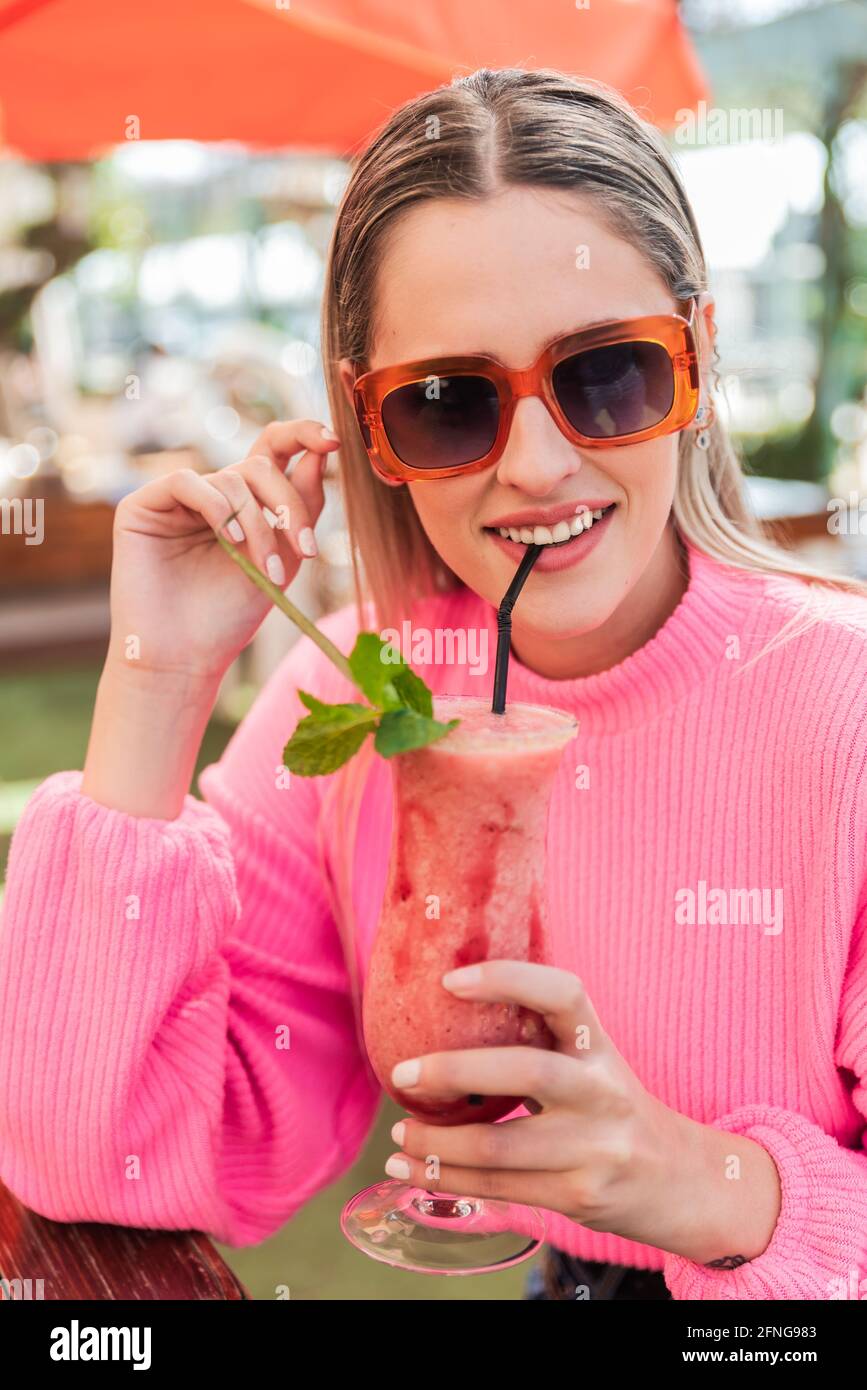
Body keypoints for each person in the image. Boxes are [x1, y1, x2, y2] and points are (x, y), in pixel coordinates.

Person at [2, 67, 867, 1303]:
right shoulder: (360, 699)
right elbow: (92, 1148)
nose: (536, 464)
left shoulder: (845, 708)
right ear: (371, 430)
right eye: (450, 403)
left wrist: (704, 1185)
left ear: (698, 356)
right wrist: (160, 677)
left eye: (607, 373)